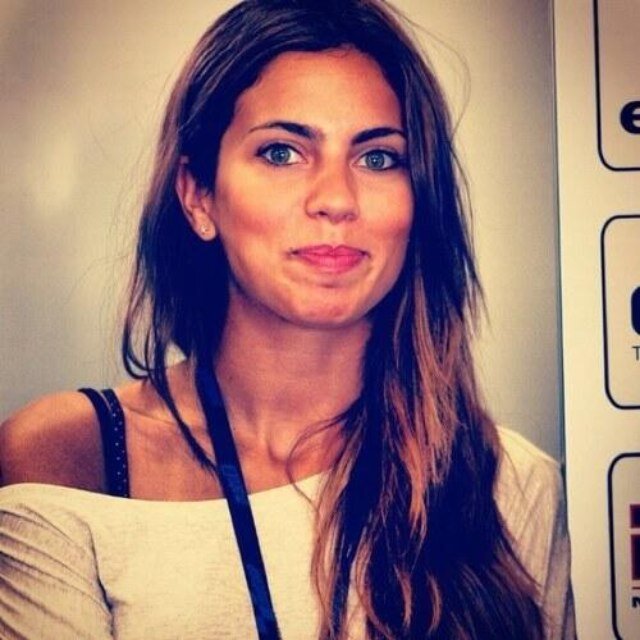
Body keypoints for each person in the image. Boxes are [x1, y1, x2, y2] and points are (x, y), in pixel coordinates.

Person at [0, 1, 574, 638]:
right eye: (281, 152)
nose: (335, 199)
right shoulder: (69, 457)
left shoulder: (507, 484)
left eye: (378, 158)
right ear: (198, 195)